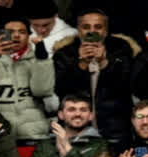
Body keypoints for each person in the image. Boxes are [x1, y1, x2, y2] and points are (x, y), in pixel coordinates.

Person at [53, 8, 138, 143]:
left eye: (98, 27)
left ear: (106, 30)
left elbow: (127, 85)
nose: (92, 31)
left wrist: (104, 63)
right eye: (86, 27)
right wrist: (81, 65)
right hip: (76, 128)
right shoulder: (64, 54)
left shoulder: (121, 49)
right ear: (78, 30)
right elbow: (61, 89)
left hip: (115, 127)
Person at [0, 17, 54, 141]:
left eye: (22, 32)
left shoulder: (39, 60)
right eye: (10, 32)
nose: (16, 35)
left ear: (29, 36)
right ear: (1, 35)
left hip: (32, 134)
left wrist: (42, 60)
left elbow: (42, 91)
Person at [21, 94, 107, 157]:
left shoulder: (100, 144)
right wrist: (58, 154)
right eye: (71, 110)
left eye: (83, 110)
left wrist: (68, 149)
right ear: (61, 115)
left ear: (91, 116)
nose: (78, 114)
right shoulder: (47, 143)